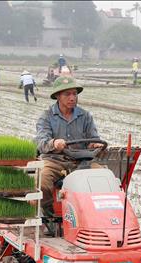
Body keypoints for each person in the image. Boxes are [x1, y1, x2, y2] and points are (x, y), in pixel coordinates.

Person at [34, 77, 105, 214]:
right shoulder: (46, 117)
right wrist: (54, 143)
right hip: (54, 161)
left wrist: (94, 144)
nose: (72, 98)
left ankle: (94, 214)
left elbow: (94, 138)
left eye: (74, 94)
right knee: (41, 181)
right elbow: (41, 143)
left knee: (103, 176)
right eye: (67, 94)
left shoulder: (85, 116)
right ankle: (49, 212)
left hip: (81, 161)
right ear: (57, 96)